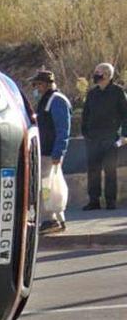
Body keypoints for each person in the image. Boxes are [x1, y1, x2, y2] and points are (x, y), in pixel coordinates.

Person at [30, 69, 72, 234]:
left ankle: (49, 219)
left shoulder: (56, 100)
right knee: (51, 188)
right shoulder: (48, 100)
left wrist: (58, 152)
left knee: (45, 189)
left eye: (38, 84)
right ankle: (58, 220)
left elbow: (63, 128)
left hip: (49, 152)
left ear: (45, 84)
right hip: (47, 151)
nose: (36, 88)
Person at [80, 62, 127, 210]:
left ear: (106, 74)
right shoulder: (92, 94)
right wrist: (85, 132)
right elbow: (85, 114)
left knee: (110, 170)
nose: (95, 74)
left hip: (111, 137)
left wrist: (124, 135)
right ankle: (94, 201)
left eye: (98, 72)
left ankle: (110, 201)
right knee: (93, 170)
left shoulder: (118, 92)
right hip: (93, 138)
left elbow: (126, 115)